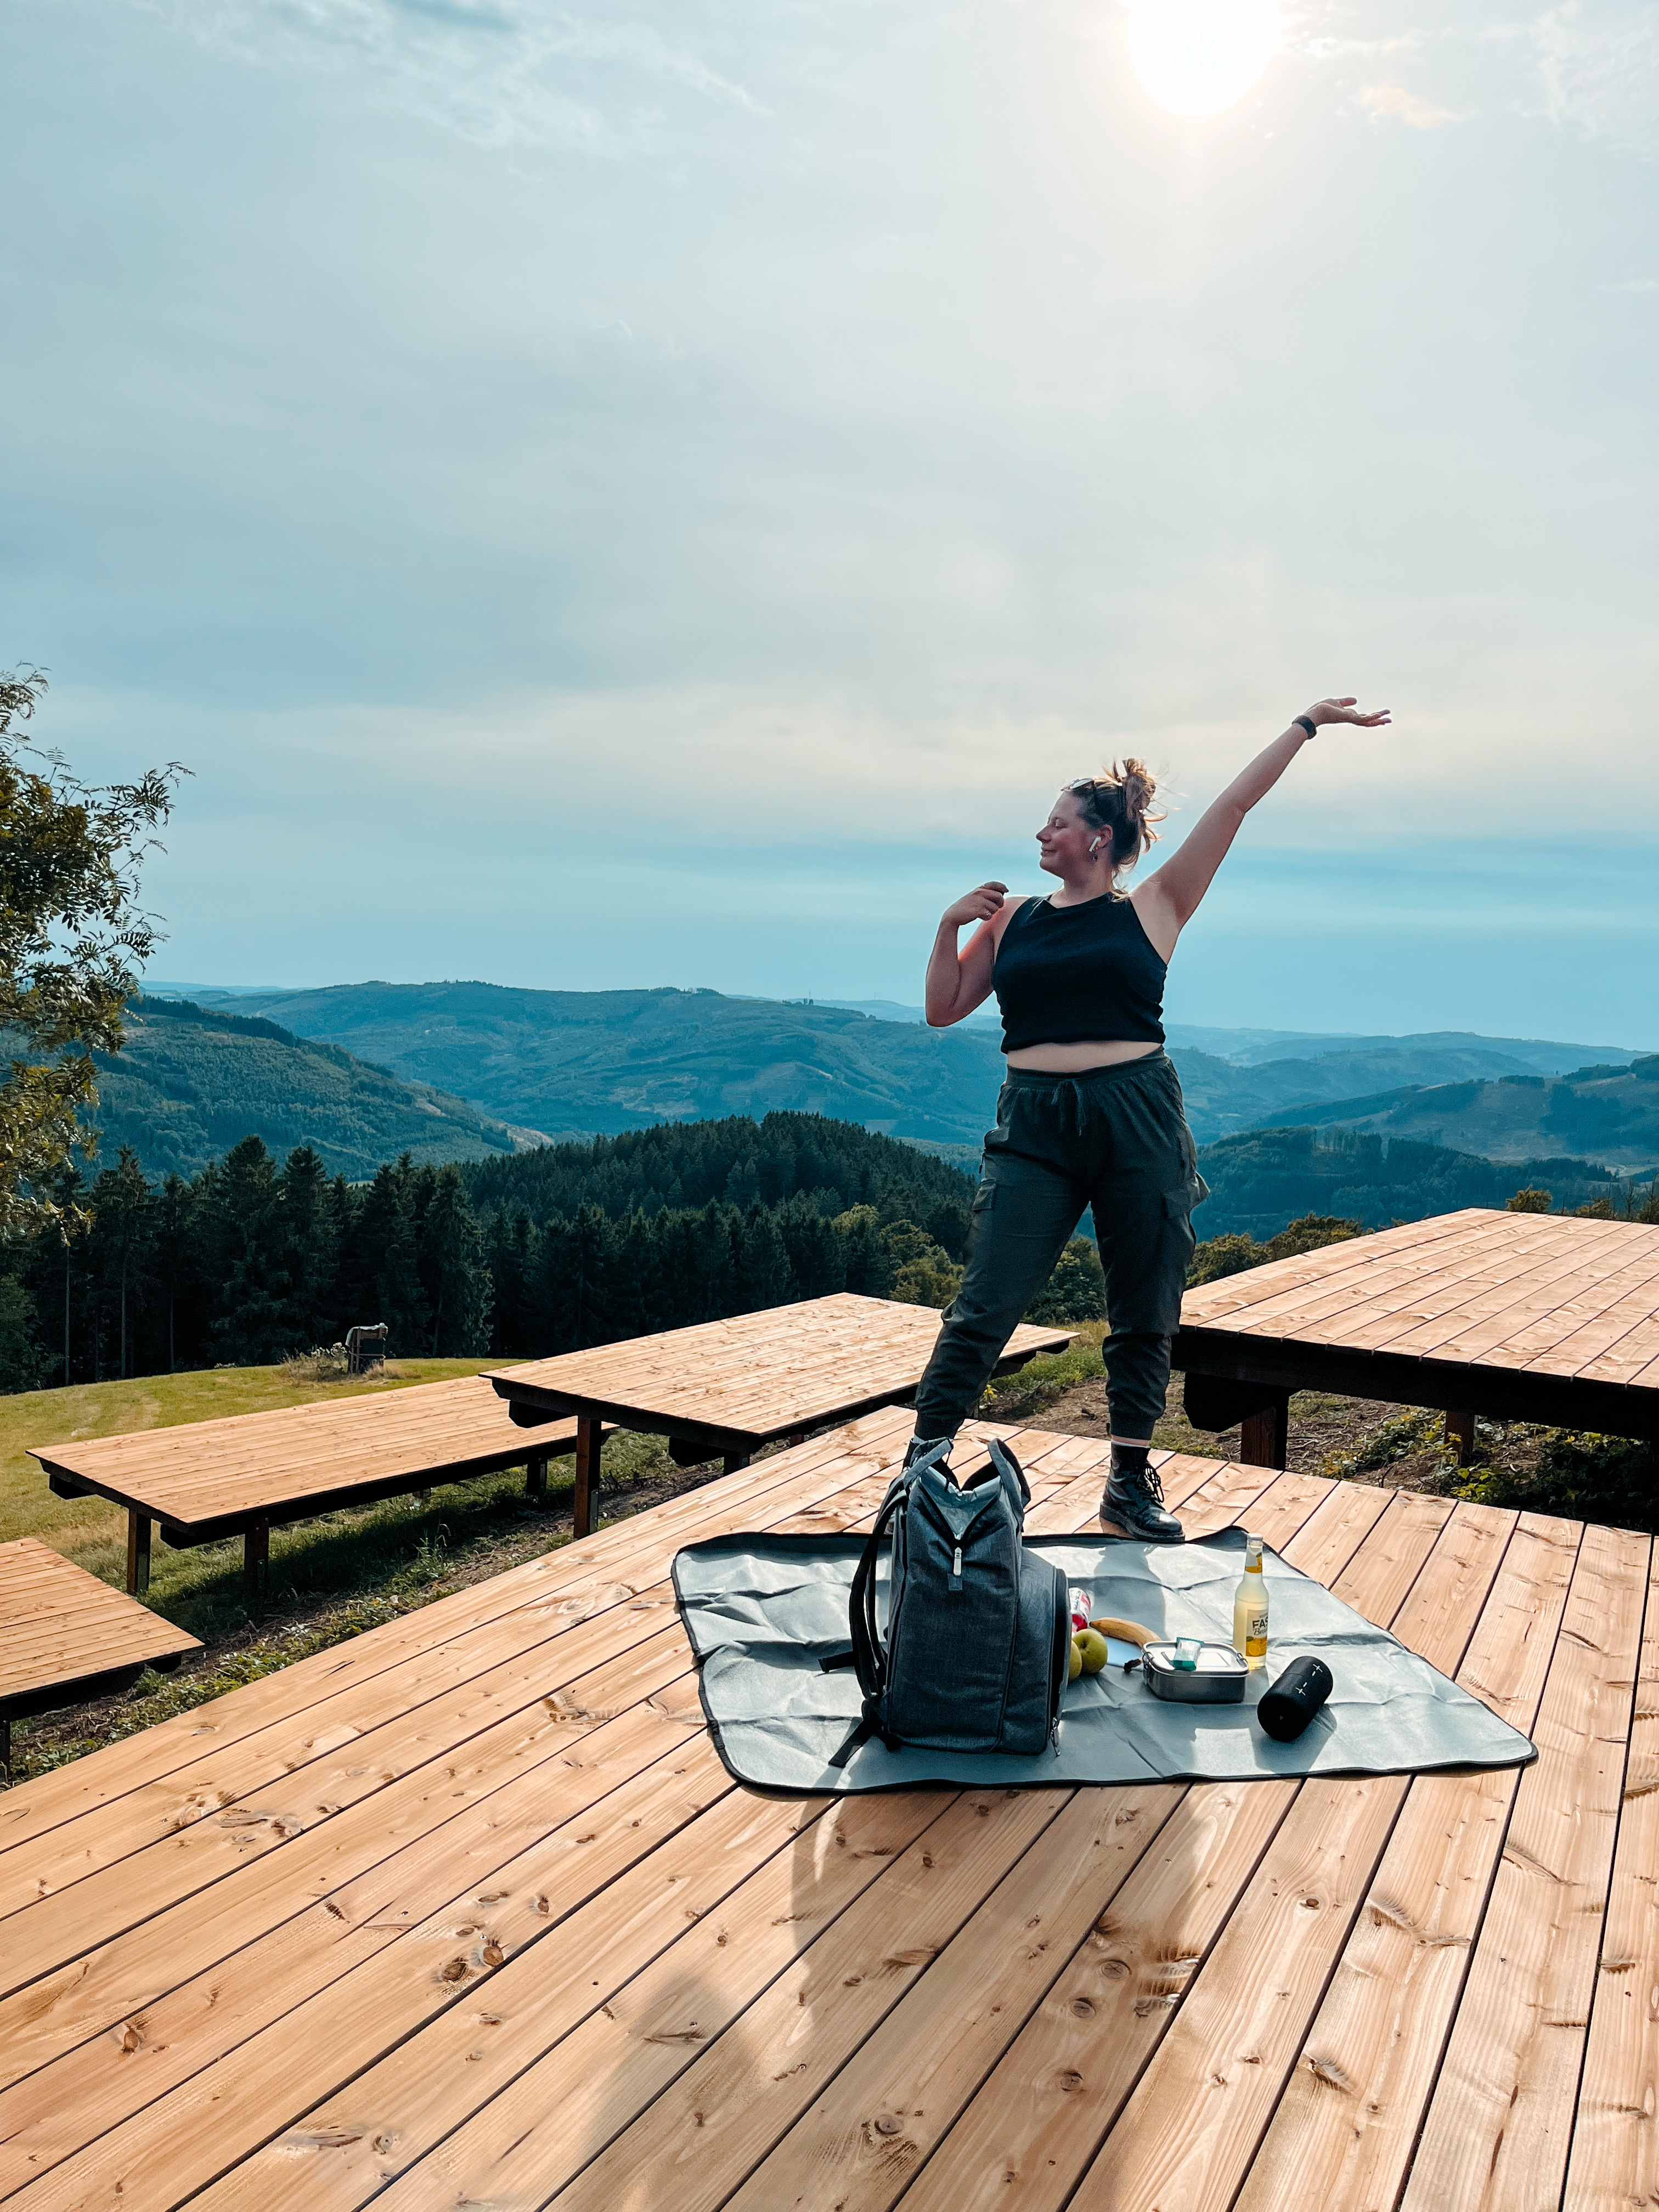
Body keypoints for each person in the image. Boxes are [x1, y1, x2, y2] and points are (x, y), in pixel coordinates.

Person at [910, 696, 1391, 1539]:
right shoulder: (1012, 917)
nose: (1040, 837)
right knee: (986, 1302)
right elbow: (945, 1009)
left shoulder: (1156, 905)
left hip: (1137, 1114)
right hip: (1033, 1125)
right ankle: (921, 1470)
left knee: (1144, 1304)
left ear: (1098, 837)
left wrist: (1305, 726)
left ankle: (1128, 1482)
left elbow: (1233, 806)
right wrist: (948, 927)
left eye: (1054, 824)